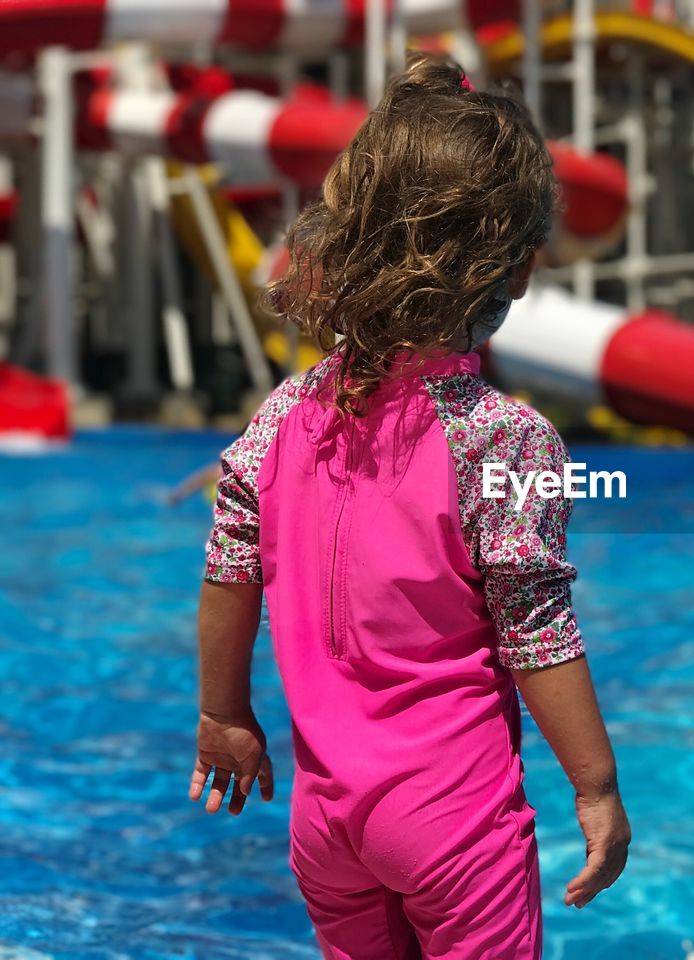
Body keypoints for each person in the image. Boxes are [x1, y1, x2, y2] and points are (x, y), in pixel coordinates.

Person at [188, 55, 630, 959]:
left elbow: (230, 571)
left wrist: (224, 716)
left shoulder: (281, 417)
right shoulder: (508, 441)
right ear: (511, 273)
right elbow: (536, 626)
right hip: (451, 822)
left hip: (323, 819)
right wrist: (595, 785)